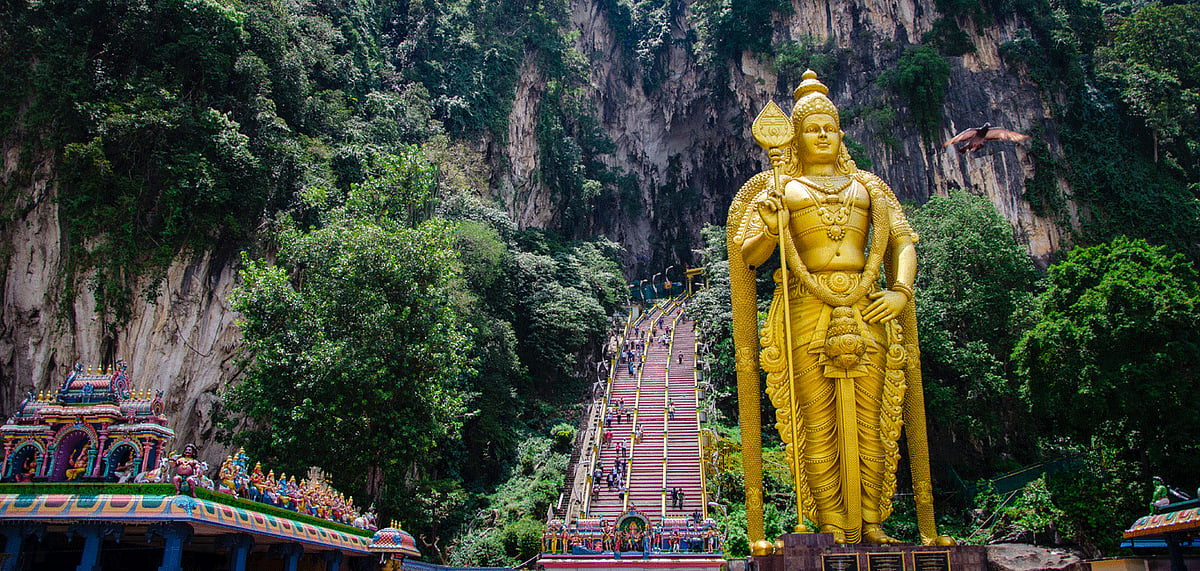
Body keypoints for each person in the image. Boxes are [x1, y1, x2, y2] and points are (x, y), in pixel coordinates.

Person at [730, 70, 949, 545]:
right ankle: (831, 524)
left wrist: (900, 291)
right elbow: (747, 255)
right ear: (797, 137)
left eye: (829, 126)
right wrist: (770, 227)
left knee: (874, 420)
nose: (823, 135)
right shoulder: (778, 188)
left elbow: (904, 243)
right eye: (813, 128)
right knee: (816, 421)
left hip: (868, 303)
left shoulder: (868, 187)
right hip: (806, 307)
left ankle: (873, 521)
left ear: (841, 133)